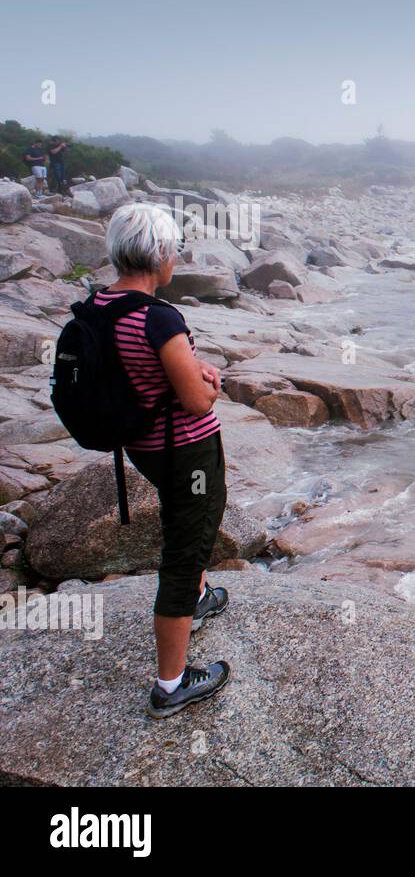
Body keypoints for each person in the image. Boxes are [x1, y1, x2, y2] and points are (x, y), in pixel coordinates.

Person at [97, 203, 232, 719]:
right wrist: (209, 383)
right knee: (187, 543)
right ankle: (171, 685)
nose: (176, 257)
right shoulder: (158, 317)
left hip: (142, 446)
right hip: (186, 450)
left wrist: (183, 367)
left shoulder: (101, 306)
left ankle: (198, 598)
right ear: (158, 255)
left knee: (181, 520)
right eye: (173, 248)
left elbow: (137, 368)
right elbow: (196, 401)